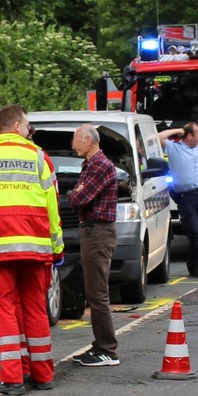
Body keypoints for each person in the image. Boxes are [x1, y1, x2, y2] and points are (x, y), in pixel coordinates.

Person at [0, 104, 64, 394]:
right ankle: (42, 373)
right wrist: (57, 248)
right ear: (17, 126)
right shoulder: (40, 157)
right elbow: (52, 208)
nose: (29, 129)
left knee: (4, 309)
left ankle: (12, 376)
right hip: (36, 247)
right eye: (27, 124)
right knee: (35, 308)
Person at [66, 123, 121, 367]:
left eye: (75, 139)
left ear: (89, 140)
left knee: (98, 294)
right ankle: (101, 345)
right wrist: (75, 193)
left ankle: (108, 350)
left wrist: (74, 193)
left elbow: (79, 197)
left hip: (98, 231)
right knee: (94, 292)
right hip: (92, 231)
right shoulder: (90, 164)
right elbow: (78, 196)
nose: (72, 144)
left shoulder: (100, 166)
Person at [158, 122, 198, 277]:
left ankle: (193, 265)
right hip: (186, 197)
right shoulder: (174, 148)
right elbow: (157, 137)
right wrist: (178, 130)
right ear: (189, 136)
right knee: (195, 233)